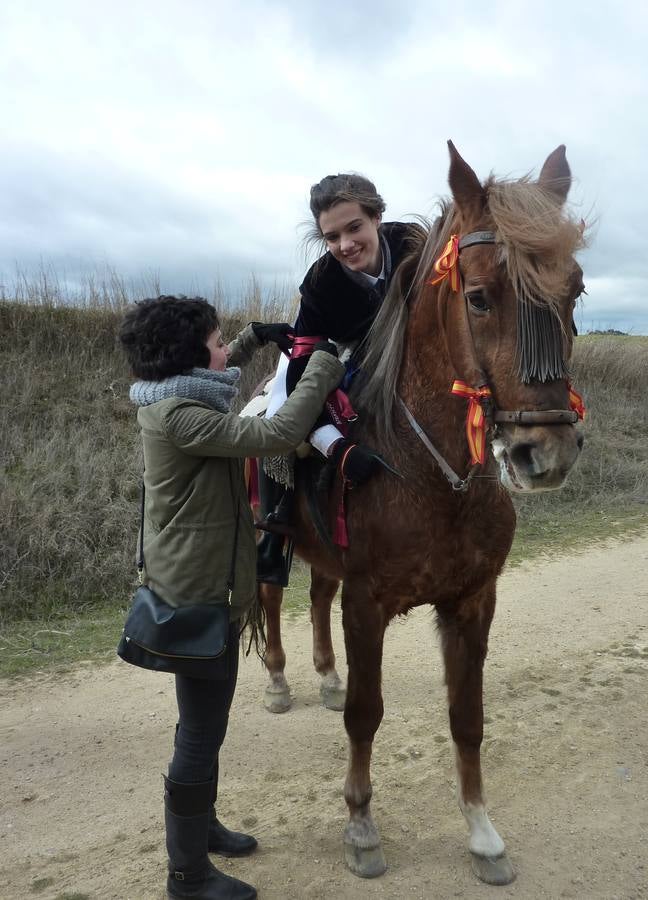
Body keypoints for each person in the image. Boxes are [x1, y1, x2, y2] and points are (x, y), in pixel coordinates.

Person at [118, 295, 344, 900]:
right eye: (217, 343)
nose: (225, 352)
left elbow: (219, 377)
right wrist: (324, 366)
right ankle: (187, 876)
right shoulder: (182, 417)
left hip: (194, 582)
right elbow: (278, 432)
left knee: (205, 725)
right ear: (189, 356)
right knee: (200, 732)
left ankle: (203, 828)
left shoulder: (174, 395)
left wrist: (251, 338)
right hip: (196, 596)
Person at [257, 173, 423, 583]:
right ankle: (276, 530)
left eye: (354, 228)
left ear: (377, 217)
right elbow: (302, 370)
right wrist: (338, 448)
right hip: (331, 351)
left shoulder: (415, 243)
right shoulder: (319, 284)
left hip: (408, 347)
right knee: (279, 416)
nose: (345, 245)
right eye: (332, 237)